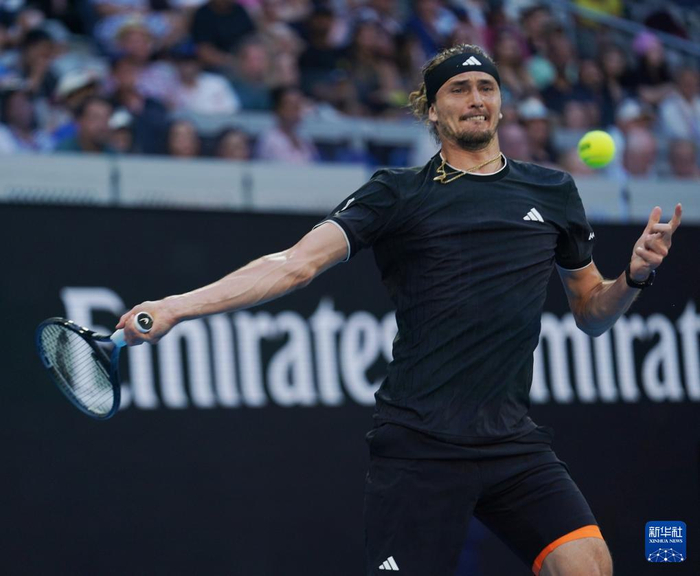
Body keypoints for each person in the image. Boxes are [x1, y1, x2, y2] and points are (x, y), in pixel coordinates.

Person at [117, 44, 682, 576]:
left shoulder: (553, 190)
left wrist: (635, 276)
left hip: (513, 443)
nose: (476, 99)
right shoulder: (397, 192)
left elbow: (591, 311)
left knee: (590, 566)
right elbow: (294, 264)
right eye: (459, 89)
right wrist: (176, 306)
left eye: (486, 87)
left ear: (501, 101)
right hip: (420, 447)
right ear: (432, 109)